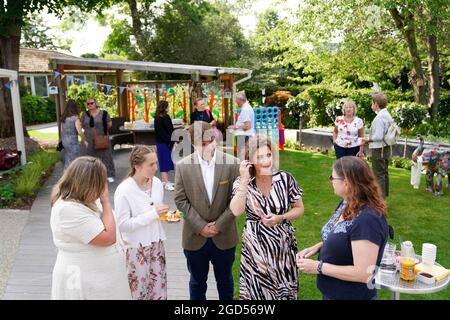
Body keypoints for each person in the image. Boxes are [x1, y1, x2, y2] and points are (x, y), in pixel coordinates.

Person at [296, 156, 389, 300]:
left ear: (346, 183)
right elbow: (344, 237)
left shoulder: (368, 220)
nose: (331, 182)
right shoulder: (348, 203)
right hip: (333, 293)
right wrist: (319, 246)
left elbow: (364, 273)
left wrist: (318, 267)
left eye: (332, 178)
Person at [230, 136, 304, 300]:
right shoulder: (242, 182)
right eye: (260, 157)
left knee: (283, 290)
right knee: (257, 290)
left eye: (268, 155)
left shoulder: (285, 179)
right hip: (255, 247)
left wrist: (281, 217)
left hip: (282, 246)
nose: (266, 161)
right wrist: (243, 180)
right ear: (250, 160)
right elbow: (236, 211)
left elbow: (299, 208)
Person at [174, 121, 240, 300]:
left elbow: (237, 199)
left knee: (225, 282)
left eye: (209, 142)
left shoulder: (233, 164)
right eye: (201, 144)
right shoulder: (182, 166)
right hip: (195, 237)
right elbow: (180, 199)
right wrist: (201, 226)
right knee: (197, 283)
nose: (206, 147)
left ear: (215, 140)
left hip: (224, 236)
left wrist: (219, 225)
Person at [50, 156, 131, 300]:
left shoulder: (87, 200)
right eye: (101, 182)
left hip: (102, 280)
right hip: (83, 281)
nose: (104, 185)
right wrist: (106, 201)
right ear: (88, 183)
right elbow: (108, 238)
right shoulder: (68, 209)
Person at [114, 145, 169, 300]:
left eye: (156, 163)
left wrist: (165, 215)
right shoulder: (124, 190)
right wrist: (153, 214)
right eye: (151, 164)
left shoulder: (157, 183)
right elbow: (123, 225)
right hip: (135, 249)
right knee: (138, 294)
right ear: (137, 166)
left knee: (159, 292)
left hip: (156, 245)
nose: (156, 168)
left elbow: (156, 211)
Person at [364, 93, 393, 197]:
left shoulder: (380, 117)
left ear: (376, 104)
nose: (371, 105)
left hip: (379, 149)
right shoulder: (386, 114)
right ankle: (383, 198)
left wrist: (367, 140)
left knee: (379, 175)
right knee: (384, 173)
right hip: (386, 147)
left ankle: (380, 200)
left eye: (372, 103)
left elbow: (379, 136)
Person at [81, 98, 116, 183]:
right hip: (89, 138)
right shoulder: (85, 114)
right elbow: (82, 125)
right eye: (88, 103)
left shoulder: (104, 113)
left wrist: (101, 130)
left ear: (96, 103)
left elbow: (109, 124)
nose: (89, 105)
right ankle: (90, 176)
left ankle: (109, 175)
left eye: (91, 103)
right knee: (89, 157)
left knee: (106, 156)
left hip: (102, 138)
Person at [154, 100, 175, 191]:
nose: (168, 108)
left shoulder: (167, 117)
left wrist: (174, 139)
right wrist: (169, 141)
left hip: (170, 143)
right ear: (164, 107)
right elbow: (161, 133)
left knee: (169, 162)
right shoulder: (157, 119)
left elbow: (171, 129)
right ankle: (166, 183)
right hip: (162, 144)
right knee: (164, 163)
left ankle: (166, 181)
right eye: (167, 106)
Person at [61, 99, 87, 169]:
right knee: (75, 160)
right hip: (72, 141)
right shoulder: (75, 118)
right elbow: (79, 132)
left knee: (68, 159)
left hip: (64, 141)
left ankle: (66, 175)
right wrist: (84, 140)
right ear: (75, 107)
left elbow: (62, 131)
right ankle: (74, 176)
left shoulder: (64, 118)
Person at [228, 91, 255, 159]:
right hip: (245, 136)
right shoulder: (246, 107)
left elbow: (247, 126)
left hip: (243, 136)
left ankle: (244, 169)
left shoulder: (245, 109)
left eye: (236, 99)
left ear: (240, 100)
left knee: (243, 157)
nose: (235, 101)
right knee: (246, 156)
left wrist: (234, 127)